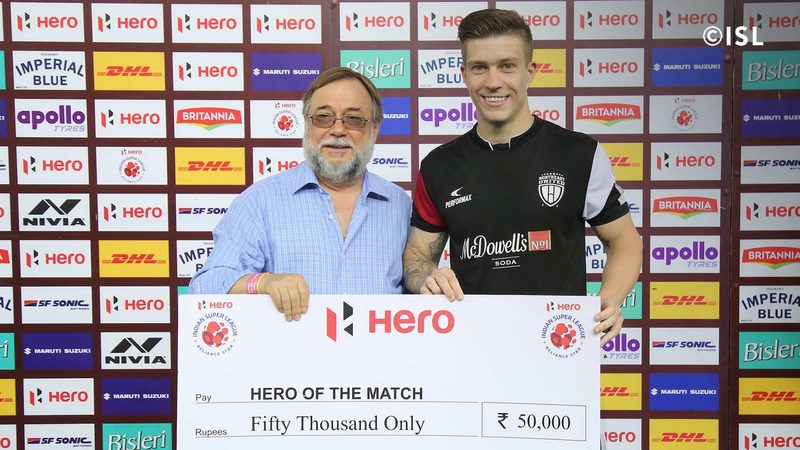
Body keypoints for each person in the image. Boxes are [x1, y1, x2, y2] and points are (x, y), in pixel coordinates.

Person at [403, 9, 642, 346]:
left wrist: (608, 301)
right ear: (464, 74)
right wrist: (427, 278)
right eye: (479, 67)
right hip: (470, 349)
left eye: (507, 66)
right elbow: (417, 255)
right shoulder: (438, 166)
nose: (493, 81)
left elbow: (625, 242)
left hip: (558, 346)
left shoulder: (579, 154)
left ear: (530, 71)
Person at [190, 67, 412, 322]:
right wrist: (264, 282)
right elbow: (206, 286)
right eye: (323, 117)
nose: (338, 130)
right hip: (287, 349)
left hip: (376, 348)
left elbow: (418, 290)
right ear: (307, 123)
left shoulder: (400, 205)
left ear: (374, 128)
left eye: (353, 119)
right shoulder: (260, 202)